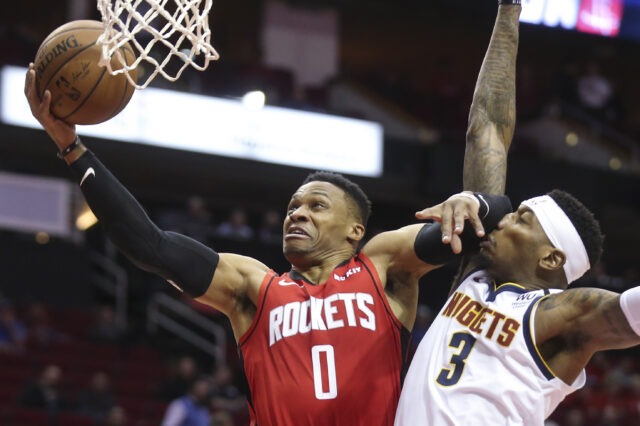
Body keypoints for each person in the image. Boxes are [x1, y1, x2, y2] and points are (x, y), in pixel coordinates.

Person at [23, 0, 517, 421]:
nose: (296, 214)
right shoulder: (254, 288)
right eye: (292, 206)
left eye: (316, 206)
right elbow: (149, 245)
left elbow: (491, 217)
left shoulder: (381, 265)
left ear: (354, 231)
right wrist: (71, 147)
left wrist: (472, 202)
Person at [394, 4, 640, 425]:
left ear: (551, 258)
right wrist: (509, 10)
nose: (502, 218)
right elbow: (487, 125)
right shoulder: (476, 271)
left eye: (521, 220)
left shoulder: (562, 315)